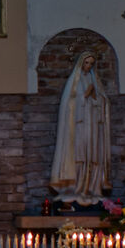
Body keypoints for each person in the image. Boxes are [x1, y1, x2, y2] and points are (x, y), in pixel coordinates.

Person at [48, 51, 111, 206]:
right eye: (86, 63)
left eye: (91, 64)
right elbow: (69, 105)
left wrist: (97, 98)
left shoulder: (93, 79)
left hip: (93, 125)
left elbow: (102, 102)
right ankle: (75, 188)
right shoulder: (74, 81)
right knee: (79, 155)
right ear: (81, 63)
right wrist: (84, 96)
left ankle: (91, 188)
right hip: (79, 125)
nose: (88, 66)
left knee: (93, 156)